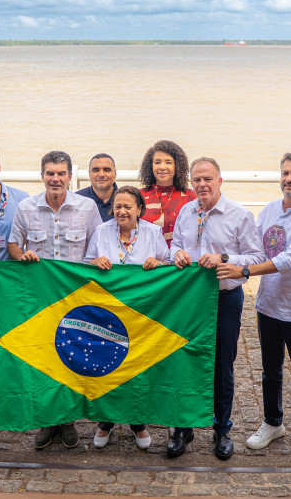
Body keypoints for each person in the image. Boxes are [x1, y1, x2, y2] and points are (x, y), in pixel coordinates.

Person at [216, 152, 291, 467]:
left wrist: (245, 273)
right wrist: (224, 259)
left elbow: (289, 261)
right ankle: (273, 422)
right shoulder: (267, 211)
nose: (289, 179)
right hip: (268, 307)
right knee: (270, 371)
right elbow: (251, 252)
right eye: (285, 173)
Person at [169, 157, 265, 460]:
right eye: (197, 180)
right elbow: (173, 247)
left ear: (220, 181)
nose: (202, 185)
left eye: (208, 179)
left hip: (226, 298)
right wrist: (179, 254)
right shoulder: (186, 211)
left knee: (222, 364)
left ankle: (221, 428)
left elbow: (256, 256)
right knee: (185, 361)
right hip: (190, 300)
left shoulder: (239, 215)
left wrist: (224, 258)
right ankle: (183, 427)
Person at [8, 150, 102, 449]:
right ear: (42, 176)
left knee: (72, 358)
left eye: (61, 173)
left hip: (76, 300)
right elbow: (13, 244)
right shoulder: (25, 207)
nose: (56, 178)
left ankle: (69, 419)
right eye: (50, 173)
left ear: (70, 176)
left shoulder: (87, 208)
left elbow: (98, 247)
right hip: (40, 300)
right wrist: (22, 255)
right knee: (44, 360)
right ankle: (49, 420)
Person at [84, 185, 169, 450]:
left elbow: (168, 270)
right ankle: (106, 421)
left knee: (137, 368)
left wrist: (158, 264)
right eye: (118, 207)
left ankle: (137, 422)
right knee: (107, 366)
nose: (122, 211)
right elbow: (86, 264)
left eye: (128, 207)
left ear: (139, 209)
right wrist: (95, 262)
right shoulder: (101, 231)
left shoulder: (154, 233)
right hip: (107, 314)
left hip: (142, 314)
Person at [139, 140, 197, 247]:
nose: (162, 167)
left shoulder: (191, 197)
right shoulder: (139, 197)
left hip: (179, 260)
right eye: (157, 162)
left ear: (177, 166)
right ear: (150, 166)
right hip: (147, 259)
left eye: (168, 162)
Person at [76, 153, 118, 222]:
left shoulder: (125, 200)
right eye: (96, 170)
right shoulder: (77, 200)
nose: (101, 174)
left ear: (115, 173)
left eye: (106, 170)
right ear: (89, 173)